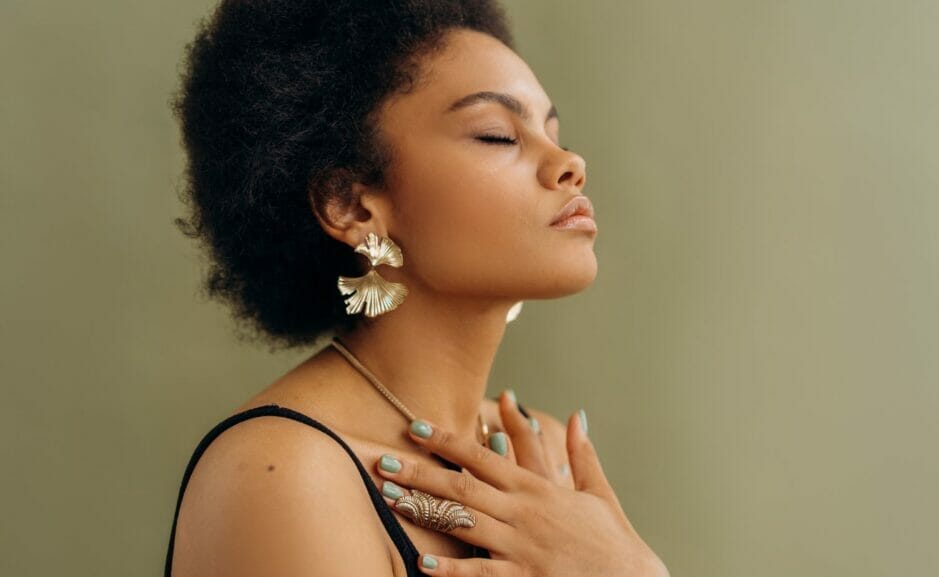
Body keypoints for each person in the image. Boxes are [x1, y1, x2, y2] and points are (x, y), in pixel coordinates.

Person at [165, 1, 669, 576]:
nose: (568, 162)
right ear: (351, 204)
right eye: (498, 135)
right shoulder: (284, 471)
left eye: (552, 132)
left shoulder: (546, 456)